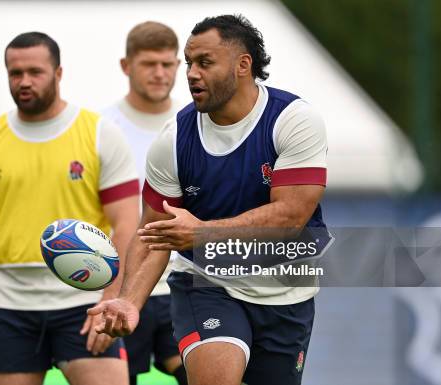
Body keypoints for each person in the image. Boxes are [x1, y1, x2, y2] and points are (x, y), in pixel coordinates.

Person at [89, 14, 332, 385]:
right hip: (205, 286)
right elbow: (153, 233)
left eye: (204, 62)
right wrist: (128, 300)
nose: (190, 73)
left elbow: (290, 217)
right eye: (188, 63)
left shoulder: (293, 120)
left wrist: (202, 233)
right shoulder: (172, 141)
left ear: (242, 65)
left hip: (286, 293)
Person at [0, 32, 139, 385]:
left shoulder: (99, 134)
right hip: (9, 303)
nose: (24, 81)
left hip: (85, 301)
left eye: (35, 72)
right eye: (15, 73)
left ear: (58, 74)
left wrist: (111, 300)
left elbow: (127, 224)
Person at [101, 21, 187, 385]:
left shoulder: (194, 125)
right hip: (120, 289)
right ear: (126, 66)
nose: (159, 73)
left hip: (183, 286)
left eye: (168, 65)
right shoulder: (101, 128)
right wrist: (109, 289)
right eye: (149, 64)